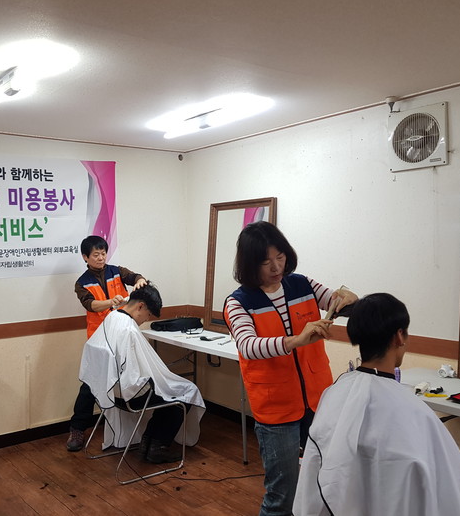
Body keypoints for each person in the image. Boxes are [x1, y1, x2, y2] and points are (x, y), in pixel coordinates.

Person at [293, 293, 460, 516]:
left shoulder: (334, 393)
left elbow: (315, 469)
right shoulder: (416, 412)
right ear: (399, 336)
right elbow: (453, 491)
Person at [223, 221, 357, 516]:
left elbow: (337, 301)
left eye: (280, 257)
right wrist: (295, 341)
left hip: (318, 400)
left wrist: (349, 298)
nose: (276, 267)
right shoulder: (238, 302)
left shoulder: (303, 285)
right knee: (283, 493)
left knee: (326, 480)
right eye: (265, 262)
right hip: (276, 408)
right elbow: (248, 345)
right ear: (249, 264)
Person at [79, 283, 205, 463]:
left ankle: (148, 442)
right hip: (130, 395)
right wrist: (159, 382)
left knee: (169, 390)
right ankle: (157, 446)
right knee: (186, 391)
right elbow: (134, 377)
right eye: (148, 314)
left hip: (111, 391)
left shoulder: (112, 316)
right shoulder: (128, 329)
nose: (146, 320)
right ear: (140, 306)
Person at [66, 235, 148, 452]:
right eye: (96, 254)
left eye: (103, 253)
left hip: (123, 334)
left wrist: (140, 280)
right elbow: (90, 305)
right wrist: (110, 302)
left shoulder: (117, 271)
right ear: (85, 257)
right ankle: (77, 428)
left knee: (130, 376)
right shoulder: (82, 282)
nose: (101, 258)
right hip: (100, 340)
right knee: (90, 384)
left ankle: (132, 426)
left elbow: (135, 276)